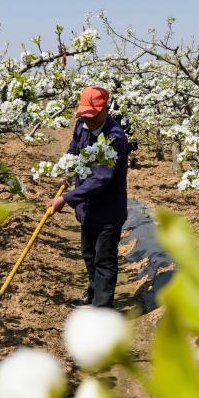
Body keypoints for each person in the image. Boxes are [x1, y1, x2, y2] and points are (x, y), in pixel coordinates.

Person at [47, 87, 130, 309]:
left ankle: (102, 309)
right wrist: (67, 168)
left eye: (92, 115)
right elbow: (73, 149)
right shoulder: (81, 126)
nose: (88, 120)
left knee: (104, 259)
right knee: (89, 254)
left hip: (107, 211)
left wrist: (65, 199)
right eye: (84, 115)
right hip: (87, 208)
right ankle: (93, 295)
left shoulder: (114, 138)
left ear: (104, 109)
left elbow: (100, 179)